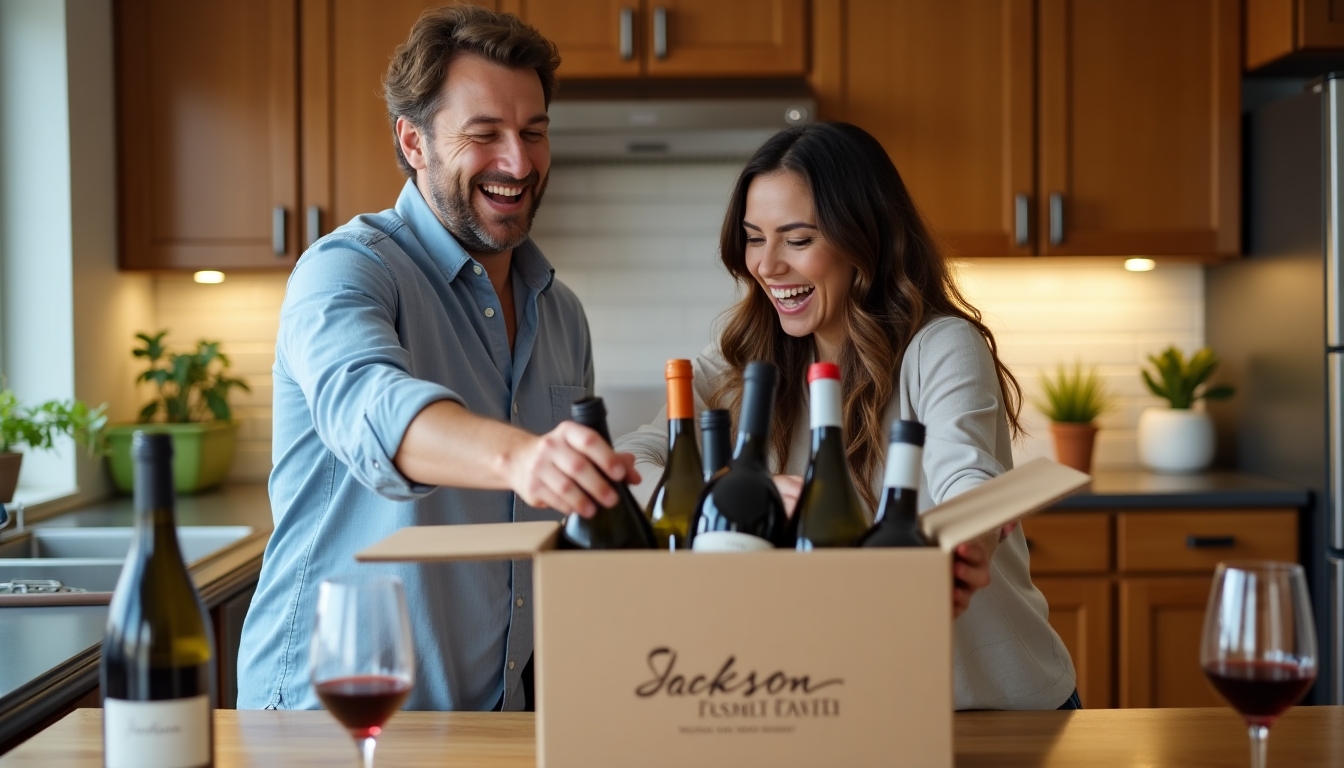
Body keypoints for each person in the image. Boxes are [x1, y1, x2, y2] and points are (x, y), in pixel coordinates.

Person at [237, 6, 639, 713]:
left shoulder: (561, 311)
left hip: (488, 722)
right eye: (484, 135)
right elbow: (370, 402)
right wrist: (520, 457)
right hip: (332, 716)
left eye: (534, 133)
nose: (517, 163)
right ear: (414, 141)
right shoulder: (346, 271)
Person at [616, 122, 1079, 711]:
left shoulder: (938, 346)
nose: (768, 265)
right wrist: (729, 492)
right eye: (755, 238)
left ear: (865, 238)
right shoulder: (746, 359)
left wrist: (967, 546)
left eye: (799, 239)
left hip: (992, 711)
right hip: (854, 707)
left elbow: (968, 477)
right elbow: (636, 455)